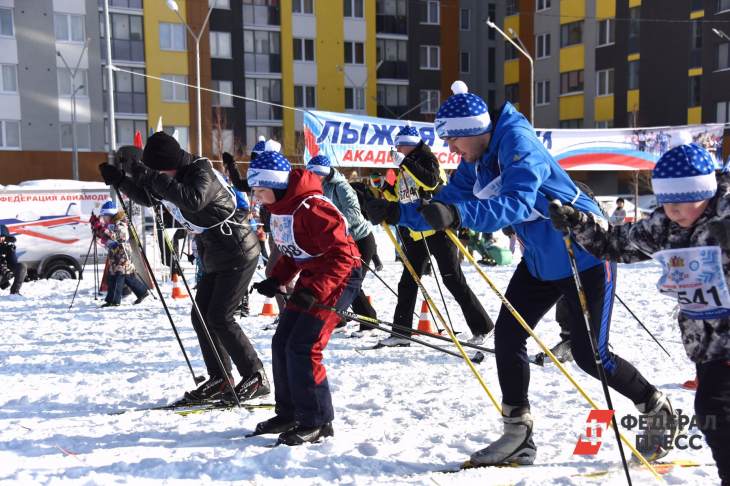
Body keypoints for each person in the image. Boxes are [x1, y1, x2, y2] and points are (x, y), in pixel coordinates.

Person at [369, 80, 671, 465]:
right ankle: (518, 434)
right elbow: (443, 203)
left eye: (452, 141)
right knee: (508, 338)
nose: (449, 150)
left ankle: (654, 405)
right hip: (540, 263)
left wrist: (460, 215)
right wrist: (397, 213)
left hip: (586, 256)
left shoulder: (518, 144)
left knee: (590, 355)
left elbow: (515, 203)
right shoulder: (475, 162)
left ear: (473, 132)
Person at [550, 143, 730, 485]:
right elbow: (614, 244)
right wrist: (578, 221)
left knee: (715, 411)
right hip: (708, 346)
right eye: (665, 202)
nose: (671, 210)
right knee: (715, 412)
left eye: (680, 202)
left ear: (704, 192)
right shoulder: (666, 225)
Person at [99, 134, 268, 404]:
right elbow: (150, 197)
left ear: (168, 163)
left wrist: (147, 174)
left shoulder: (202, 172)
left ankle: (255, 376)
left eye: (158, 169)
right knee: (201, 316)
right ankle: (221, 378)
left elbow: (193, 200)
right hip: (215, 254)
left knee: (221, 316)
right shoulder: (171, 176)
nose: (156, 173)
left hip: (239, 250)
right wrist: (121, 181)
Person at [248, 144, 364, 445]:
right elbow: (292, 249)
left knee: (303, 345)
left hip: (340, 276)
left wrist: (314, 292)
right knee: (282, 341)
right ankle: (289, 413)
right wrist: (277, 279)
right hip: (317, 275)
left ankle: (317, 421)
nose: (256, 198)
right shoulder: (281, 208)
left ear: (274, 184)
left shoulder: (313, 206)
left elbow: (342, 256)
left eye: (260, 191)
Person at [366, 124, 495, 347]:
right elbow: (402, 197)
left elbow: (431, 181)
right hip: (416, 232)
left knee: (452, 280)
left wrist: (404, 162)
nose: (397, 150)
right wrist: (383, 190)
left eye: (400, 146)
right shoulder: (404, 168)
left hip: (438, 229)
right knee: (407, 282)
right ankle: (401, 332)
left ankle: (483, 326)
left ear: (409, 145)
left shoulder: (426, 158)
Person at [306, 154, 378, 330]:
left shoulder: (341, 186)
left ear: (324, 173)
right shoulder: (316, 188)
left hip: (360, 239)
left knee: (352, 282)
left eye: (316, 174)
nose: (313, 178)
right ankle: (341, 318)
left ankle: (369, 322)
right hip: (339, 242)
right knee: (340, 280)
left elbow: (354, 213)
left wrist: (331, 224)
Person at [224, 138, 293, 319]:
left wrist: (232, 166)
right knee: (285, 276)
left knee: (273, 273)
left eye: (256, 159)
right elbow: (242, 184)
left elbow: (242, 185)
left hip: (285, 233)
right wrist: (231, 165)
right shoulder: (266, 177)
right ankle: (292, 312)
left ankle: (287, 314)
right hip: (275, 231)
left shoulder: (275, 177)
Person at [91, 201, 149, 307]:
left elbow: (121, 237)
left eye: (105, 216)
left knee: (117, 277)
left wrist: (105, 230)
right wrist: (96, 228)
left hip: (122, 255)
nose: (103, 219)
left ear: (110, 215)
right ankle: (142, 292)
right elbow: (105, 236)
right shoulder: (110, 224)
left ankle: (114, 300)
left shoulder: (119, 223)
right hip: (115, 256)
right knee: (125, 276)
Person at [0, 224, 26, 295]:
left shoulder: (7, 247)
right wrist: (4, 270)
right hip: (2, 272)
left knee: (21, 266)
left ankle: (15, 292)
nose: (1, 239)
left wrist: (11, 251)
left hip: (3, 275)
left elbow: (13, 264)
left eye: (2, 236)